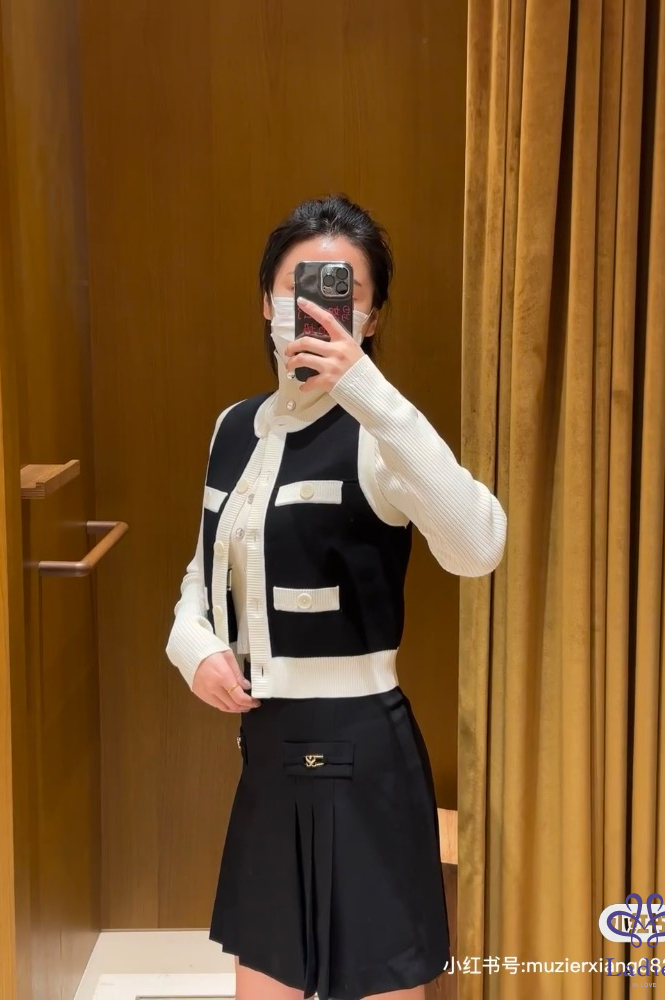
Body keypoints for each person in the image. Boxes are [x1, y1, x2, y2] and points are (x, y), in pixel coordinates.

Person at [165, 195, 506, 1000]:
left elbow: (479, 546)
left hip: (363, 755)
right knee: (264, 982)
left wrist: (370, 394)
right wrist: (194, 647)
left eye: (342, 291)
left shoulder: (385, 437)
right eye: (299, 288)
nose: (317, 308)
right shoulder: (234, 427)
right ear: (267, 303)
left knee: (378, 982)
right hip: (267, 750)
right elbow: (203, 572)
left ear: (371, 315)